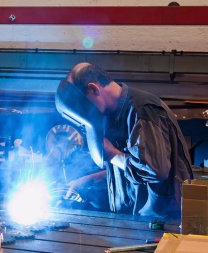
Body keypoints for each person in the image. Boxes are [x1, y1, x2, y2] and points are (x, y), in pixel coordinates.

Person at [55, 62, 193, 219]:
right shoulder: (112, 114)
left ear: (94, 89)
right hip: (132, 220)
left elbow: (155, 170)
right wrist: (87, 181)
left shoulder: (142, 111)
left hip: (160, 223)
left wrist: (112, 154)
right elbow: (128, 166)